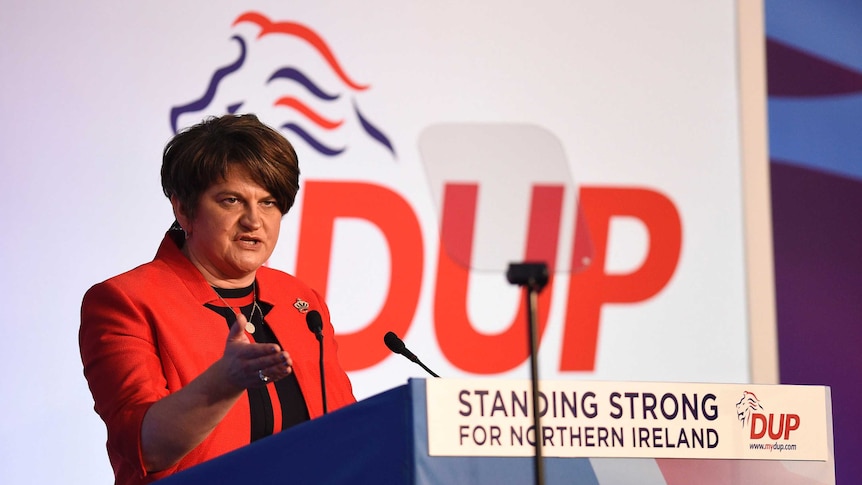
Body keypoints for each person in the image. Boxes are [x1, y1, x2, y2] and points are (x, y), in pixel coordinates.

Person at [79, 114, 356, 485]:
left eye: (269, 202)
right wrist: (225, 382)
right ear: (184, 210)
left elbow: (346, 425)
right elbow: (147, 447)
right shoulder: (126, 302)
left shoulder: (299, 299)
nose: (254, 221)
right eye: (231, 200)